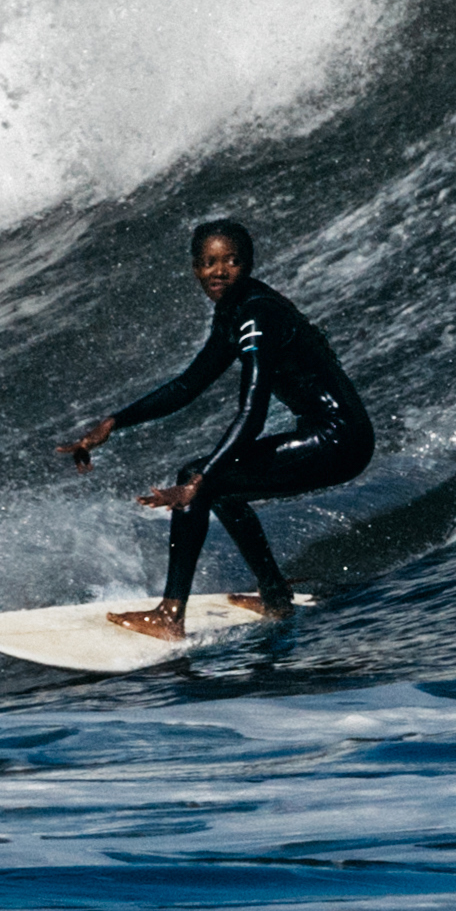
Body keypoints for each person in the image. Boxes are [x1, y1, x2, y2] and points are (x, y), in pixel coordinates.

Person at [59, 218, 374, 638]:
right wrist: (113, 423)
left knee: (199, 476)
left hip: (339, 439)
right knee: (220, 485)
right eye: (209, 262)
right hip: (335, 434)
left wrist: (200, 481)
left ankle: (170, 615)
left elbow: (252, 411)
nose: (219, 271)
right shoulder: (233, 312)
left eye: (231, 261)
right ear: (195, 269)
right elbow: (189, 384)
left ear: (248, 265)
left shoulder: (257, 316)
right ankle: (275, 596)